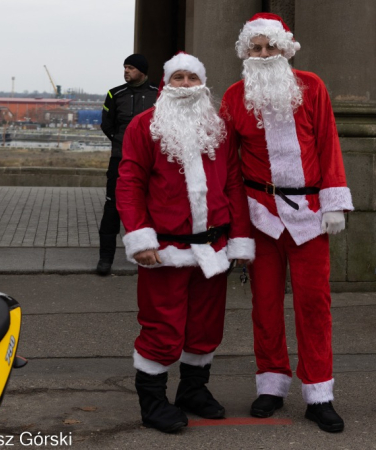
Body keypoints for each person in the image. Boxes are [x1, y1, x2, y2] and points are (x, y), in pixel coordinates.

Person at [220, 13, 353, 433]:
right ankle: (272, 383)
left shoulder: (311, 86)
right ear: (246, 53)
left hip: (310, 213)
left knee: (315, 306)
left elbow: (329, 142)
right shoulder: (234, 95)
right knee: (264, 305)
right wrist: (236, 225)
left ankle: (319, 393)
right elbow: (228, 165)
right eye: (255, 48)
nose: (263, 55)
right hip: (260, 214)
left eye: (270, 47)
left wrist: (334, 202)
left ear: (285, 49)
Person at [116, 52, 255, 433]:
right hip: (164, 250)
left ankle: (193, 391)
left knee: (205, 327)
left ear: (203, 84)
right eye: (178, 78)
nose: (185, 85)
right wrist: (139, 236)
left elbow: (232, 185)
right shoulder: (144, 126)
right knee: (162, 327)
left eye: (192, 78)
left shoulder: (219, 127)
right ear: (165, 83)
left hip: (213, 248)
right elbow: (130, 183)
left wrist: (240, 239)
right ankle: (153, 402)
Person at [98, 54, 159, 275]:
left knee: (152, 205)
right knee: (112, 207)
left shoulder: (158, 93)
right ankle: (105, 259)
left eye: (131, 67)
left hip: (151, 160)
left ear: (142, 70)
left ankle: (153, 253)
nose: (126, 71)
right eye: (125, 67)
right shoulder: (115, 94)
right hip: (120, 158)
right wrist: (121, 141)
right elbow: (107, 125)